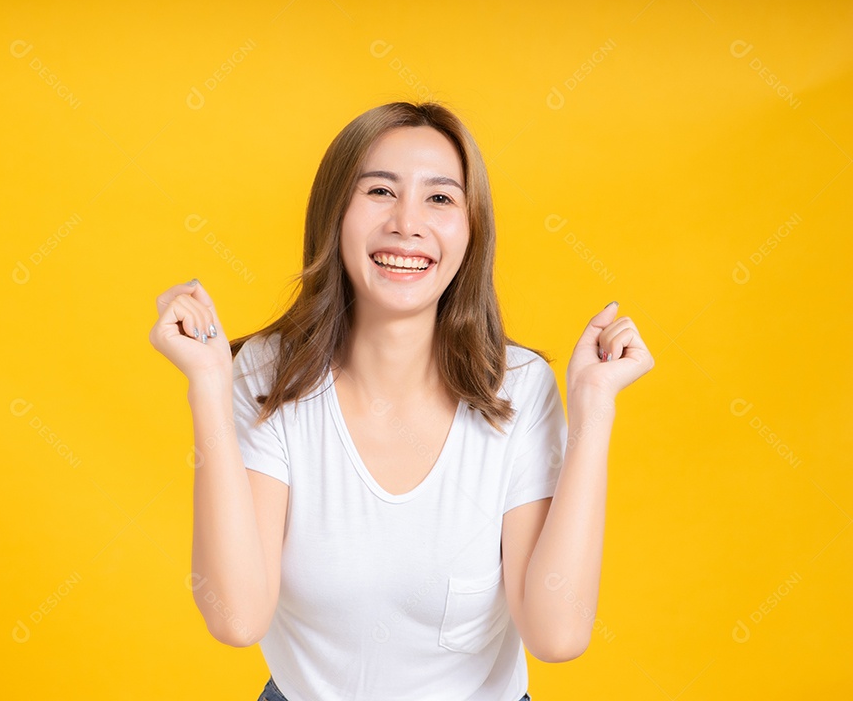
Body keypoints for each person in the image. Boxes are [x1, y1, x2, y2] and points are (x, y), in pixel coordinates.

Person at [149, 101, 654, 701]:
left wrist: (593, 411)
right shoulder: (266, 375)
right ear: (335, 213)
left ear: (473, 230)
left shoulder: (518, 387)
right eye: (380, 191)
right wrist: (208, 385)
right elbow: (236, 618)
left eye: (440, 199)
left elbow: (557, 634)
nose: (407, 223)